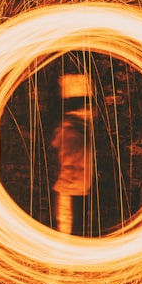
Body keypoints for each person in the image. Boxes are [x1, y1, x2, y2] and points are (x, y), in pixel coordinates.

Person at [51, 74, 95, 236]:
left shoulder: (71, 128)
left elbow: (56, 145)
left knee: (71, 229)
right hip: (74, 186)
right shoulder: (75, 127)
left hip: (74, 186)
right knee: (72, 229)